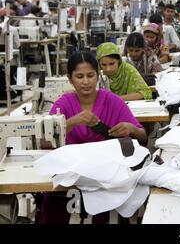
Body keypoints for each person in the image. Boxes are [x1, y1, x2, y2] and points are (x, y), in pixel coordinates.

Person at [39, 52, 146, 224]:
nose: (86, 81)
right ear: (70, 79)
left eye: (90, 75)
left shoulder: (113, 101)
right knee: (53, 202)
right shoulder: (64, 104)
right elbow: (45, 141)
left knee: (111, 204)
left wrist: (131, 128)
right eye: (79, 76)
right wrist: (72, 122)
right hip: (72, 170)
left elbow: (143, 137)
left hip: (106, 170)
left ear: (98, 75)